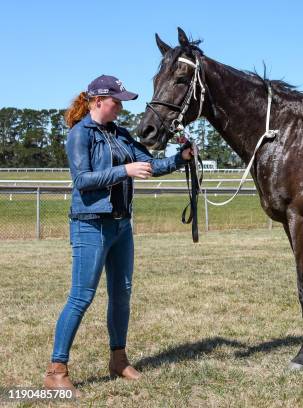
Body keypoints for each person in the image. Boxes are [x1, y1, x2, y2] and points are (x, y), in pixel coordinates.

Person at [44, 75, 193, 395]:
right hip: (91, 224)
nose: (122, 107)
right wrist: (124, 171)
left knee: (122, 293)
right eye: (117, 101)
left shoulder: (120, 134)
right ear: (98, 100)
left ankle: (118, 359)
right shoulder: (79, 134)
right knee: (82, 296)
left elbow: (150, 164)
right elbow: (82, 180)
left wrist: (180, 159)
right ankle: (56, 370)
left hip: (121, 225)